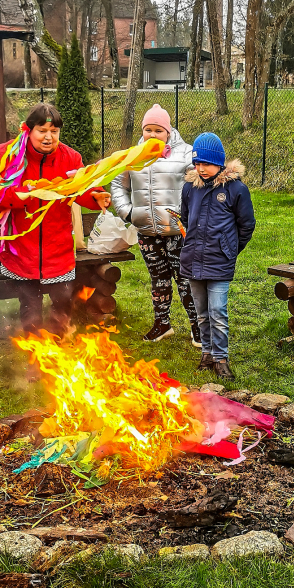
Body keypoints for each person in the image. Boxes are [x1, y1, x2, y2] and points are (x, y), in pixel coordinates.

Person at [0, 103, 111, 336]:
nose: (49, 137)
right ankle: (35, 359)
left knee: (63, 303)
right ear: (28, 130)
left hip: (58, 249)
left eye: (54, 132)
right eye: (42, 131)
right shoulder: (5, 156)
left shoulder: (70, 157)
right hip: (22, 251)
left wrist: (95, 197)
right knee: (30, 308)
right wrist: (20, 196)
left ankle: (57, 352)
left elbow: (82, 188)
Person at [110, 104, 200, 345]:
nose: (152, 135)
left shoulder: (186, 154)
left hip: (178, 233)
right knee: (158, 279)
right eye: (148, 129)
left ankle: (197, 326)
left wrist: (190, 216)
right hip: (147, 232)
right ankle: (162, 324)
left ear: (168, 132)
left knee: (185, 279)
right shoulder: (133, 156)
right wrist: (128, 213)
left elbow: (199, 185)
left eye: (158, 130)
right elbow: (118, 185)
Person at [180, 132, 255, 382]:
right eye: (197, 164)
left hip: (219, 262)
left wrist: (229, 249)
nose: (201, 169)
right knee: (201, 312)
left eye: (207, 164)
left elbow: (246, 226)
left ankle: (221, 358)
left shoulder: (236, 189)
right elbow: (185, 218)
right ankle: (207, 353)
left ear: (220, 163)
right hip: (193, 262)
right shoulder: (190, 188)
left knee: (218, 313)